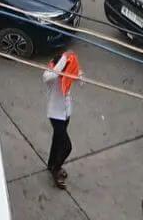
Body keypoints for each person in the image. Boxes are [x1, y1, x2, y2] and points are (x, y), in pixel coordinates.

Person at [43, 50, 81, 189]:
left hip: (65, 114)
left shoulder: (66, 74)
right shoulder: (51, 76)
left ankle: (51, 163)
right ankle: (56, 169)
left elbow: (78, 76)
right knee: (67, 147)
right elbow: (49, 76)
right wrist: (63, 60)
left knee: (57, 140)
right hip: (55, 115)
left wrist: (76, 73)